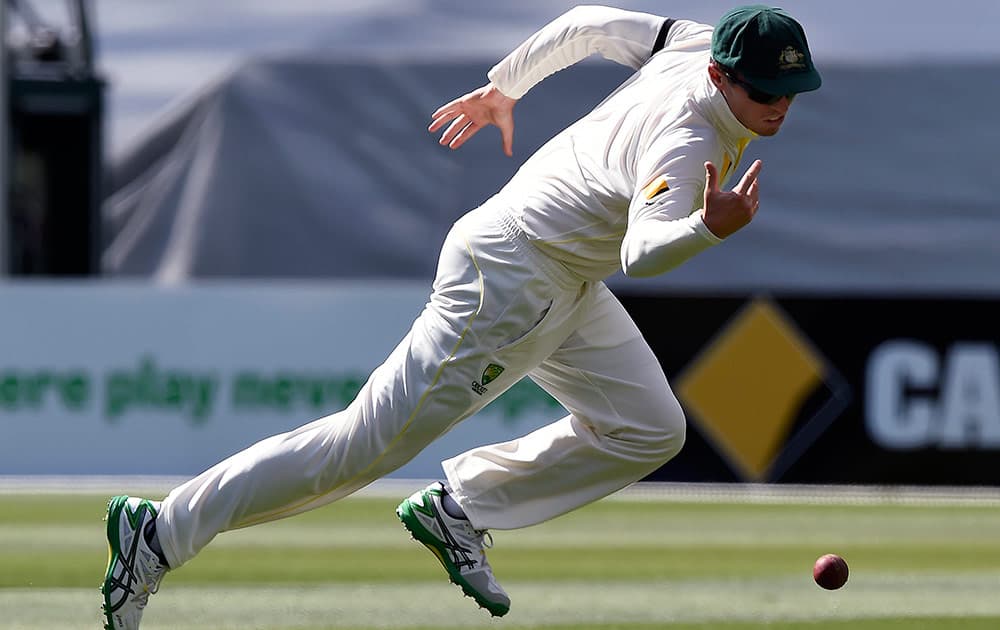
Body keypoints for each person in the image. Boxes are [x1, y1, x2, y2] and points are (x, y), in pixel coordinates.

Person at [100, 4, 822, 628]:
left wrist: (504, 85)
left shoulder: (692, 40)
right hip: (512, 280)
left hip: (558, 273)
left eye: (791, 91)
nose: (778, 107)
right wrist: (708, 228)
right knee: (358, 449)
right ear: (721, 76)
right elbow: (642, 252)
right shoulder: (688, 136)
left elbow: (587, 25)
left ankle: (462, 506)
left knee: (649, 428)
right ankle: (159, 534)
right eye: (764, 90)